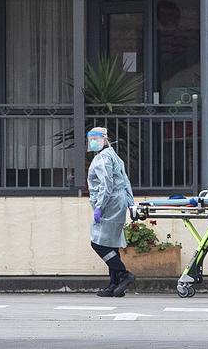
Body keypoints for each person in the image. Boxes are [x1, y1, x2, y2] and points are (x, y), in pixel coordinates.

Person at [86, 127, 136, 297]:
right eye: (90, 138)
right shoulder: (114, 156)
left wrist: (99, 207)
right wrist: (130, 203)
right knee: (111, 244)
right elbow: (125, 180)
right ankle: (114, 285)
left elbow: (106, 185)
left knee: (98, 243)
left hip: (110, 204)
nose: (92, 141)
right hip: (118, 202)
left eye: (95, 138)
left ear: (104, 139)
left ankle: (123, 274)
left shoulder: (103, 158)